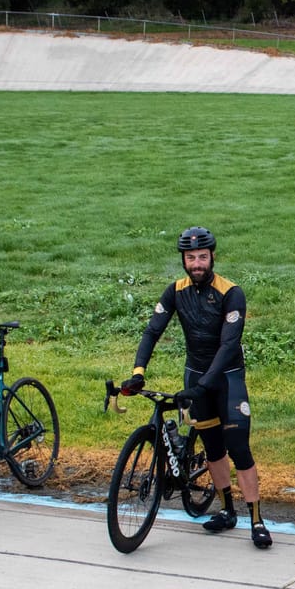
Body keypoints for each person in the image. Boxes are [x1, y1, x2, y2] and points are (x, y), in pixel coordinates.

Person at [121, 227, 270, 548]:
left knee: (238, 448)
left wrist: (204, 385)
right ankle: (227, 511)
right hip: (195, 378)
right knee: (213, 448)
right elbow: (152, 332)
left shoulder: (231, 293)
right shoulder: (175, 291)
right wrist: (138, 373)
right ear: (183, 260)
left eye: (202, 257)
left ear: (212, 257)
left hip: (227, 379)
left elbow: (229, 345)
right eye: (191, 258)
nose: (197, 264)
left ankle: (257, 519)